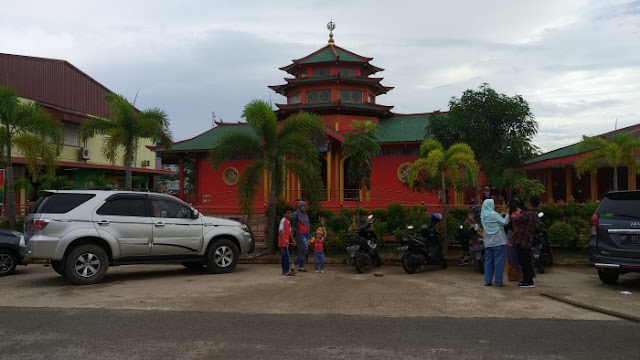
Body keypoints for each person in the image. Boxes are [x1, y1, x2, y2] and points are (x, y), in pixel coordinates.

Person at [512, 195, 539, 288]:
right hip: (529, 240)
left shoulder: (527, 214)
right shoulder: (535, 214)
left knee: (524, 261)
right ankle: (527, 279)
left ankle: (528, 281)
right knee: (527, 261)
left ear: (530, 203)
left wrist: (512, 213)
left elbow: (516, 220)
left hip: (523, 240)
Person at [480, 198, 509, 287]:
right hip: (498, 241)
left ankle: (488, 281)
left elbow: (493, 221)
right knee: (499, 262)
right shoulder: (493, 214)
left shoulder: (483, 215)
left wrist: (500, 215)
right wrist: (507, 214)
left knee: (488, 261)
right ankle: (498, 282)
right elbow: (504, 222)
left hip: (488, 242)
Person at [505, 198, 524, 282]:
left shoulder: (510, 214)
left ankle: (512, 275)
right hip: (520, 235)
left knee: (511, 255)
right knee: (518, 255)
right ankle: (520, 274)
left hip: (511, 235)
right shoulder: (521, 212)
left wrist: (510, 237)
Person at [291, 200, 310, 273]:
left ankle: (301, 267)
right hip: (300, 234)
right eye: (301, 206)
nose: (303, 207)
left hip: (306, 234)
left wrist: (309, 235)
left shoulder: (305, 214)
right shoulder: (296, 214)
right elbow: (292, 219)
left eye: (304, 206)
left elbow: (307, 225)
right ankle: (294, 264)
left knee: (304, 250)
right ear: (298, 206)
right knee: (304, 249)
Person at [279, 209, 296, 276]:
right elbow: (280, 231)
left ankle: (286, 271)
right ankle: (286, 271)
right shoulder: (283, 221)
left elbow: (289, 232)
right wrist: (284, 239)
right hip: (283, 241)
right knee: (285, 256)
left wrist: (293, 240)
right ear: (284, 214)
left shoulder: (288, 221)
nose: (290, 214)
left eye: (290, 213)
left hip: (286, 241)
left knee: (285, 256)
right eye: (288, 213)